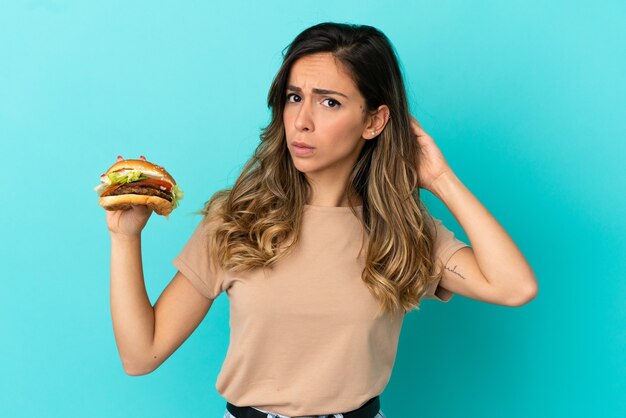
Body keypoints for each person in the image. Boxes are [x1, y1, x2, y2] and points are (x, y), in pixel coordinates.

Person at [105, 22, 538, 418]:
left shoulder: (403, 231)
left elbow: (514, 287)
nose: (302, 121)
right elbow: (141, 355)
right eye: (295, 98)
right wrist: (125, 238)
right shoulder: (237, 218)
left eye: (329, 102)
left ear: (374, 121)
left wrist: (441, 179)